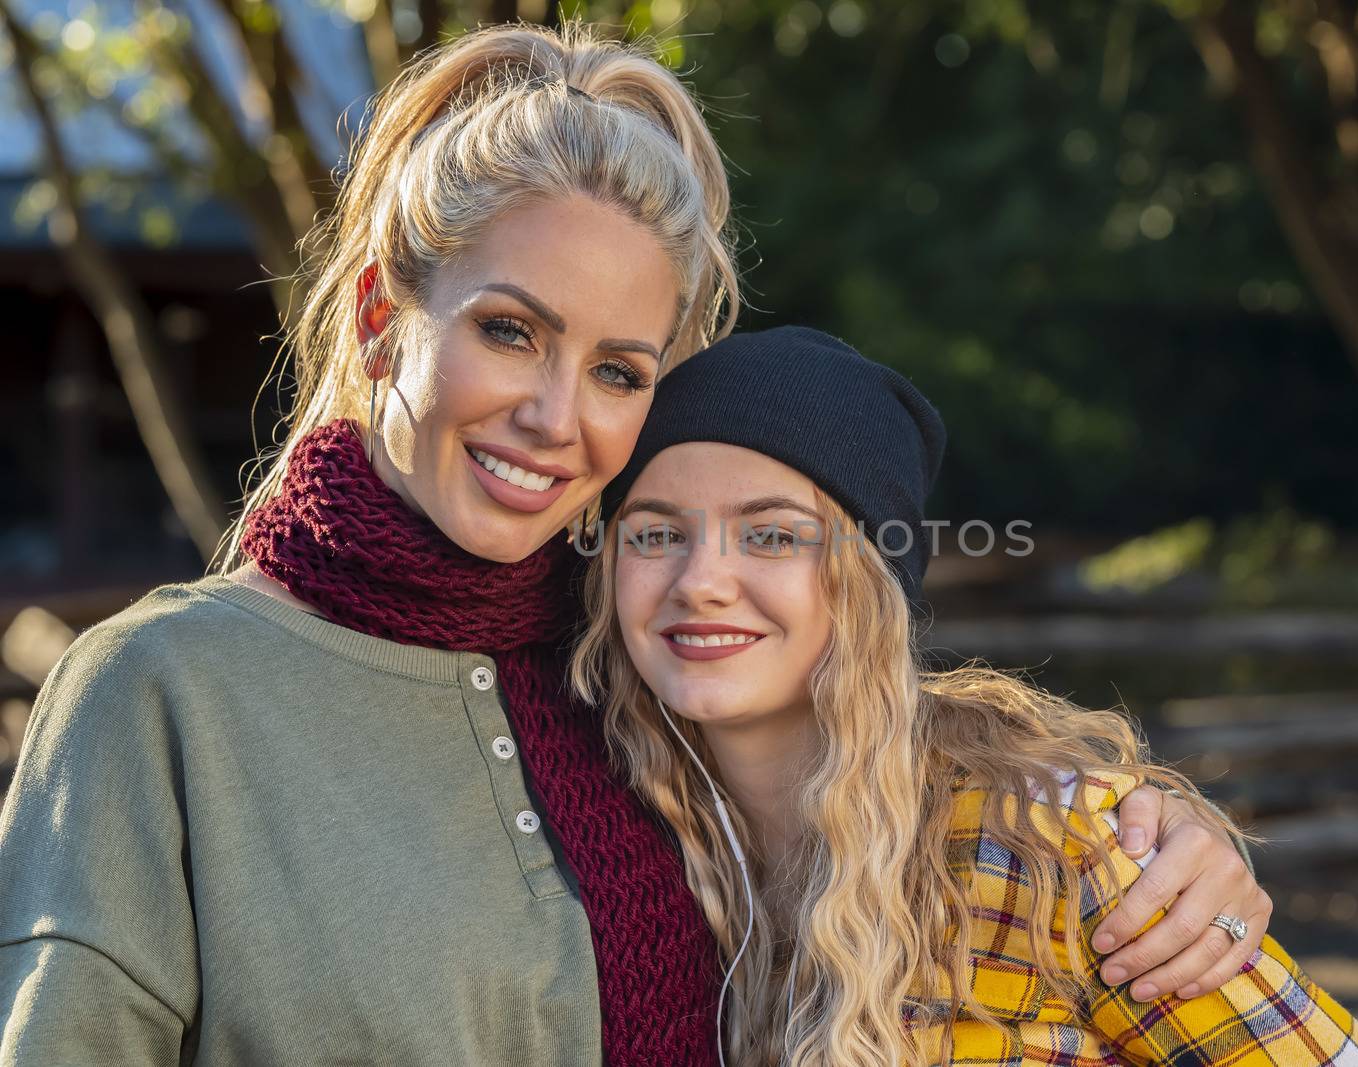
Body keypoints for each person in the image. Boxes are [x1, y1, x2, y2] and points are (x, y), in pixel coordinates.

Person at [2, 24, 1269, 1067]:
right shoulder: (158, 696)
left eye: (617, 368)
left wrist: (1143, 838)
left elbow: (871, 749)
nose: (557, 418)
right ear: (386, 317)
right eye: (509, 331)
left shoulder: (639, 679)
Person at [573, 326, 1358, 1066]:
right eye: (655, 532)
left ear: (867, 586)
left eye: (773, 534)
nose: (702, 580)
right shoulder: (622, 852)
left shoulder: (1046, 846)